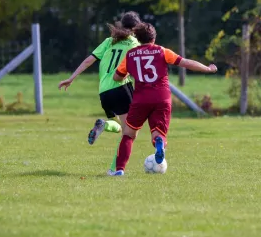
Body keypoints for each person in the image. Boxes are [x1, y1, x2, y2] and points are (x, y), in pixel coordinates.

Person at [110, 22, 217, 176]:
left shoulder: (130, 55)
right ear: (153, 38)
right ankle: (159, 143)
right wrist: (207, 68)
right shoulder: (162, 51)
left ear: (138, 39)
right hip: (162, 97)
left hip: (140, 99)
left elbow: (117, 77)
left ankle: (119, 170)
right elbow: (185, 63)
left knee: (128, 134)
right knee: (158, 132)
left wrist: (128, 72)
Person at [58, 12, 141, 174]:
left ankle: (104, 125)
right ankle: (114, 170)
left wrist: (71, 78)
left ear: (121, 25)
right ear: (136, 29)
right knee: (130, 133)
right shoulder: (135, 44)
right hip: (121, 88)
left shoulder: (109, 42)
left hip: (104, 92)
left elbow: (89, 60)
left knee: (120, 127)